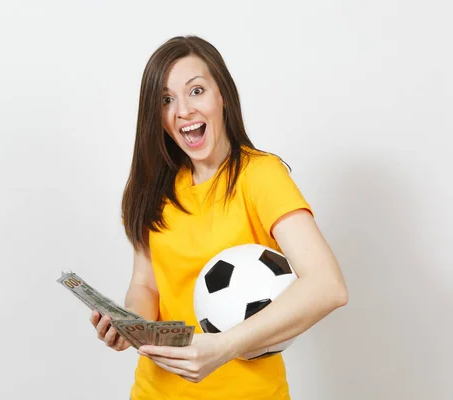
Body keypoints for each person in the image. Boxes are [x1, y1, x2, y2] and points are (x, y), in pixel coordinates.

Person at [89, 35, 348, 400]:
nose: (183, 110)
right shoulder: (154, 189)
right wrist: (128, 323)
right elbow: (146, 285)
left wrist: (223, 347)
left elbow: (327, 286)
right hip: (154, 391)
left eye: (196, 91)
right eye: (166, 100)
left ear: (222, 95)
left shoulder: (261, 175)